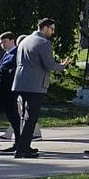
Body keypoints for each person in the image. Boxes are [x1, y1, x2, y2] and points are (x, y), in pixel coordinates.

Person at [12, 17, 64, 159]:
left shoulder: (25, 40)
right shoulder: (44, 42)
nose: (53, 32)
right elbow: (49, 65)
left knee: (24, 117)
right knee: (31, 118)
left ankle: (23, 146)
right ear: (44, 28)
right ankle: (22, 149)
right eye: (51, 29)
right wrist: (62, 66)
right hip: (35, 85)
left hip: (21, 82)